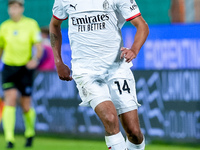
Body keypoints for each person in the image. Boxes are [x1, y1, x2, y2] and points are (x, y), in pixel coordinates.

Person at [50, 0, 149, 149]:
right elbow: (54, 25)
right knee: (110, 118)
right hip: (86, 71)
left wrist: (134, 49)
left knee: (134, 132)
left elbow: (142, 26)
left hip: (117, 69)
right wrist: (58, 62)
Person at [0, 0, 42, 148]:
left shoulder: (31, 24)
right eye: (10, 7)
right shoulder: (4, 26)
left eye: (16, 7)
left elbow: (39, 46)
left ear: (21, 9)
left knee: (26, 106)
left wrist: (35, 59)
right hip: (9, 69)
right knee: (9, 99)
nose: (13, 10)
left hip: (25, 69)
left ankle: (30, 132)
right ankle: (9, 139)